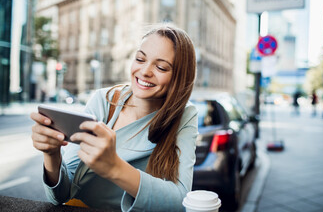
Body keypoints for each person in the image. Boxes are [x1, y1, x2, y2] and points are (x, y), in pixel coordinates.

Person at [30, 25, 198, 211]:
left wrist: (114, 168)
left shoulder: (185, 115)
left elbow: (181, 200)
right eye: (140, 59)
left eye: (161, 67)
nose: (144, 71)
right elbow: (60, 195)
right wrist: (52, 154)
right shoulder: (104, 100)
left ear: (180, 77)